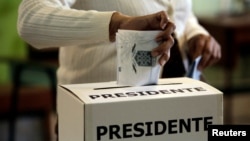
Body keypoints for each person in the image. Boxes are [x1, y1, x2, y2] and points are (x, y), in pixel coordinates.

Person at [17, 0, 221, 140]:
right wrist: (117, 24)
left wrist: (195, 33)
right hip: (101, 122)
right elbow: (30, 19)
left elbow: (178, 11)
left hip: (172, 117)